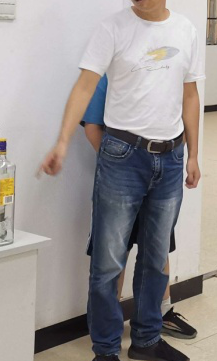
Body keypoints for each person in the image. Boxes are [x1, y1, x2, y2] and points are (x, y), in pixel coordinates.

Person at [40, 0, 203, 361]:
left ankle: (147, 338)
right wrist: (62, 140)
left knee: (156, 256)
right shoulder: (112, 28)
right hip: (122, 155)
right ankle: (106, 351)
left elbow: (190, 94)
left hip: (170, 156)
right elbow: (84, 86)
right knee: (109, 261)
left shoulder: (186, 30)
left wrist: (194, 153)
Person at [81, 74, 197, 340]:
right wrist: (120, 164)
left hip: (162, 177)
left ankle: (160, 314)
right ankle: (109, 330)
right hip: (121, 181)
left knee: (158, 249)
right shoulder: (110, 76)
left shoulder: (166, 72)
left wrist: (187, 155)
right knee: (113, 255)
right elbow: (92, 126)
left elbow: (185, 109)